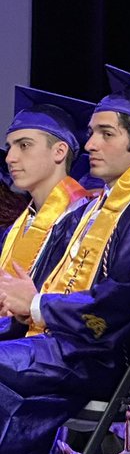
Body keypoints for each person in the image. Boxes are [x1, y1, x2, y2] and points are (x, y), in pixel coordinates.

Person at [0, 80, 130, 454]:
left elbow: (118, 304)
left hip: (101, 357)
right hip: (65, 348)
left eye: (106, 133)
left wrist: (34, 305)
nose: (91, 144)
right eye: (92, 133)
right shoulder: (97, 208)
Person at [0, 86, 95, 341]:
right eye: (9, 147)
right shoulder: (17, 227)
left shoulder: (84, 221)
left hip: (52, 347)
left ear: (59, 152)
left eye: (24, 145)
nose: (10, 157)